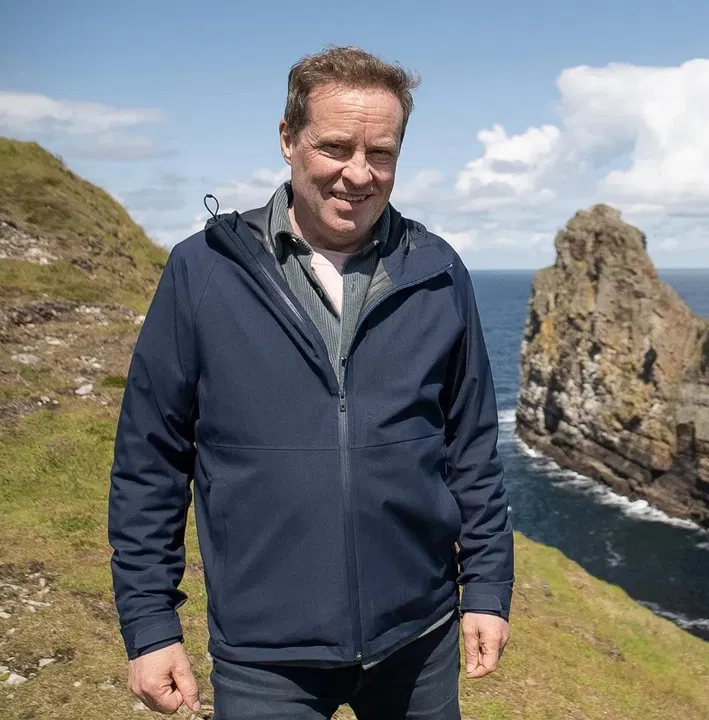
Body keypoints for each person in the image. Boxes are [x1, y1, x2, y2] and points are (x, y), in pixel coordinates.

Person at [107, 45, 514, 718]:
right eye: (334, 147)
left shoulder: (438, 272)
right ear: (288, 140)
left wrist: (488, 590)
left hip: (421, 636)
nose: (358, 173)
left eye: (380, 152)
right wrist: (150, 626)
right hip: (266, 654)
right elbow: (150, 460)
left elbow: (471, 451)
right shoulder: (204, 273)